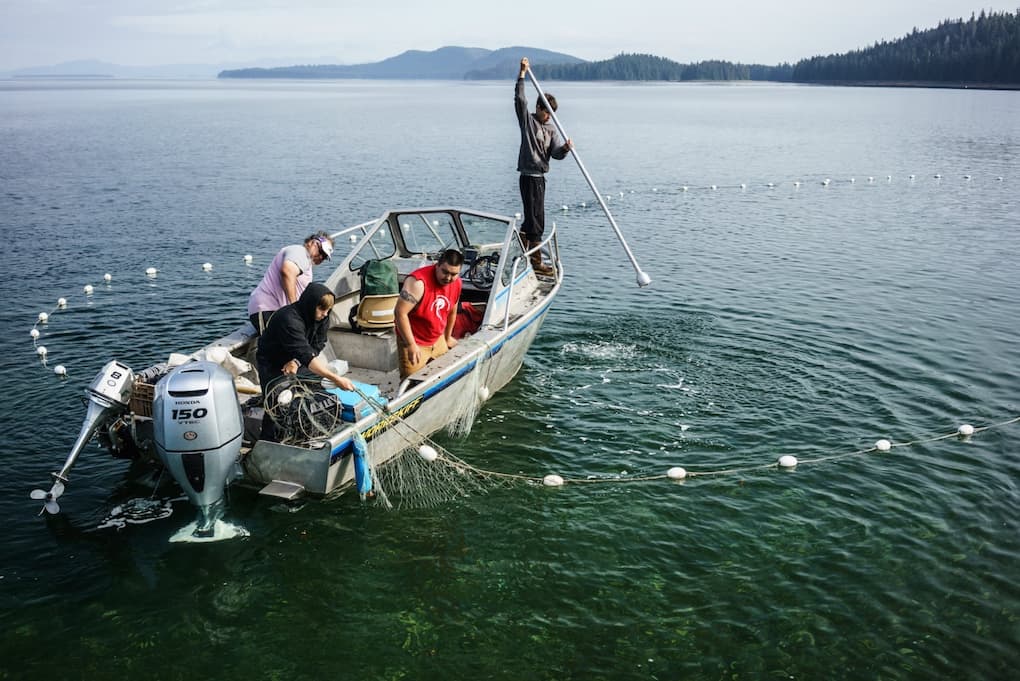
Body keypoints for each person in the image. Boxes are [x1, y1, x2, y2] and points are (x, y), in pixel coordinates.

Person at [255, 282, 354, 441]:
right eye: (322, 309)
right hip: (271, 362)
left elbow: (318, 344)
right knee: (277, 403)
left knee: (316, 384)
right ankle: (267, 440)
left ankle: (307, 428)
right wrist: (336, 379)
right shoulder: (289, 319)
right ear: (310, 304)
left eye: (328, 310)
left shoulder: (322, 318)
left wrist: (295, 361)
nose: (325, 314)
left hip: (296, 359)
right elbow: (307, 356)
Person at [516, 56, 572, 276]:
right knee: (536, 219)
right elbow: (520, 100)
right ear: (539, 107)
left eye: (551, 113)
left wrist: (566, 148)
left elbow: (556, 154)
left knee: (534, 217)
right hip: (528, 176)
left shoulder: (551, 128)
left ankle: (522, 249)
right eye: (546, 111)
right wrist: (521, 75)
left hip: (540, 177)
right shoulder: (528, 122)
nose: (548, 116)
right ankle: (535, 262)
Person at [394, 249, 464, 379]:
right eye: (445, 272)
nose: (448, 278)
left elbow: (452, 312)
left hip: (438, 339)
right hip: (415, 341)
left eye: (453, 274)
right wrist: (410, 344)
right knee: (412, 384)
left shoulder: (457, 283)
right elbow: (400, 313)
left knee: (444, 376)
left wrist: (447, 337)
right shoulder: (417, 283)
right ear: (437, 265)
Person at [247, 231, 334, 334]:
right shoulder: (300, 251)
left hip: (281, 312)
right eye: (321, 252)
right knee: (276, 346)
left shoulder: (306, 262)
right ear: (313, 243)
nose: (320, 257)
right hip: (268, 308)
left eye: (324, 257)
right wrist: (294, 307)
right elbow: (287, 271)